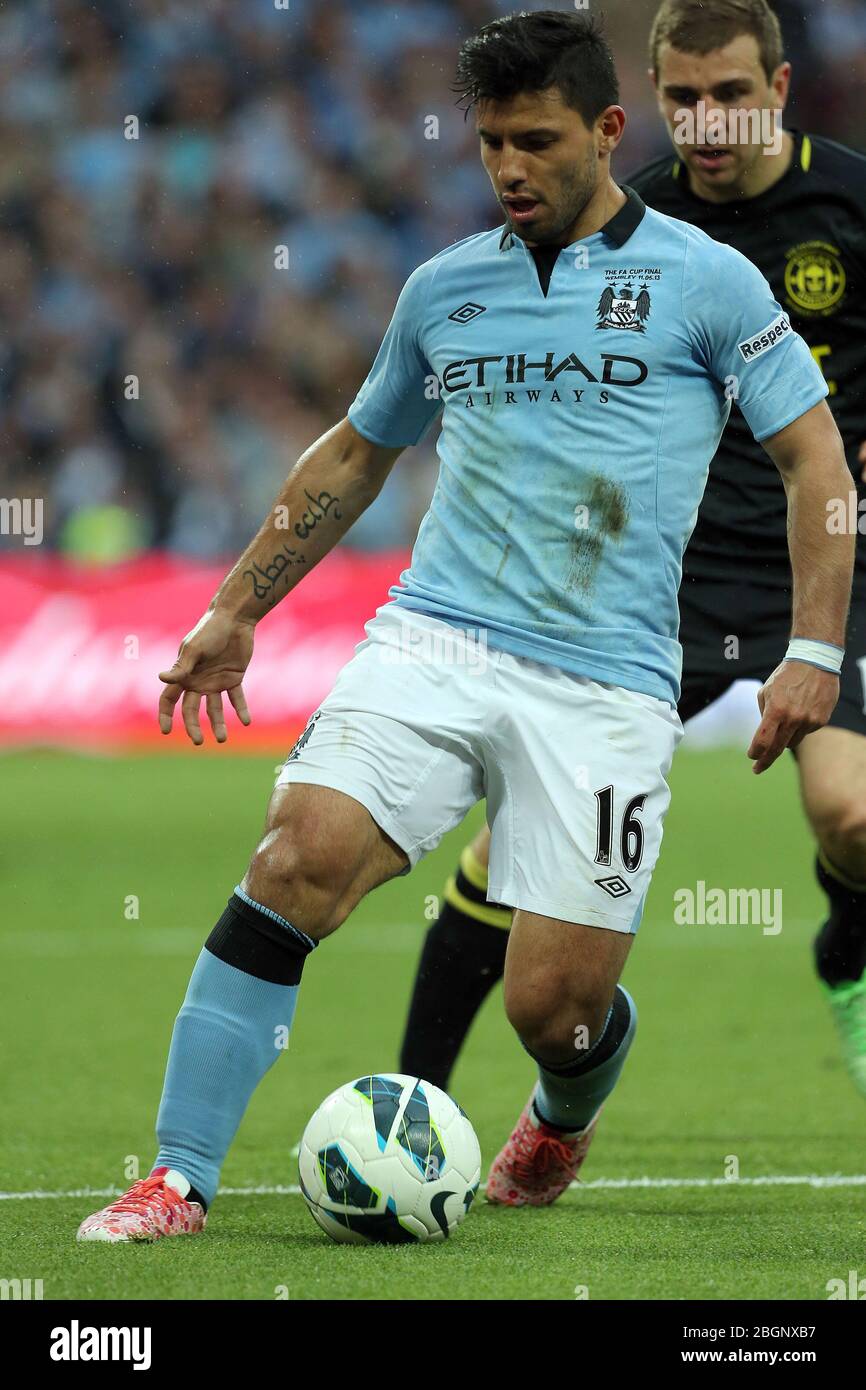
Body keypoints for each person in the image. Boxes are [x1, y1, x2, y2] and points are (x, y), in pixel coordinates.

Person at [77, 9, 852, 1241]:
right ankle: (177, 1176)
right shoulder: (444, 287)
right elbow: (352, 454)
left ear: (605, 132)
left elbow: (814, 457)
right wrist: (235, 605)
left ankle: (560, 1105)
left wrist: (812, 650)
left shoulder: (709, 283)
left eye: (534, 141)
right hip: (433, 641)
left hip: (602, 686)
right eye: (488, 142)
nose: (505, 169)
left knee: (556, 1006)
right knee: (295, 859)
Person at [400, 0, 866, 1167]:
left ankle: (843, 946)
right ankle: (410, 1101)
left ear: (779, 83)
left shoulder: (850, 207)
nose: (706, 123)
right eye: (683, 98)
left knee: (850, 814)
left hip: (823, 560)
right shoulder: (629, 222)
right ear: (648, 99)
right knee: (507, 846)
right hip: (665, 574)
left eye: (730, 94)